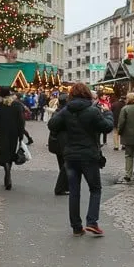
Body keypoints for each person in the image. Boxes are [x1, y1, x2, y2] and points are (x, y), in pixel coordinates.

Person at [49, 83, 113, 237]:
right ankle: (92, 222)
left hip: (70, 155)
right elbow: (107, 127)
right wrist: (108, 114)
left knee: (74, 191)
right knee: (95, 189)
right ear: (87, 95)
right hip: (89, 156)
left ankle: (76, 226)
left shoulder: (67, 110)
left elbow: (52, 125)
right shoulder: (92, 111)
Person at [0, 87, 26, 190]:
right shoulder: (17, 105)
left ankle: (6, 169)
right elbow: (21, 121)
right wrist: (21, 135)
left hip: (3, 132)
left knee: (4, 151)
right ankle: (8, 169)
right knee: (11, 151)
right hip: (14, 132)